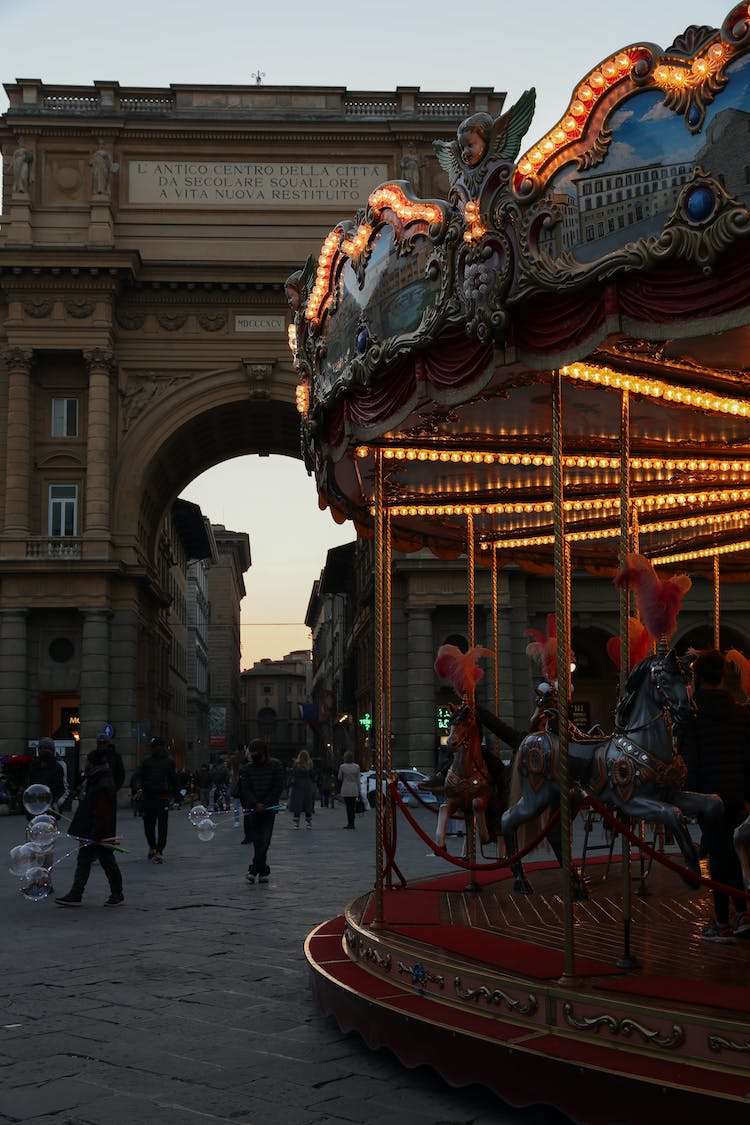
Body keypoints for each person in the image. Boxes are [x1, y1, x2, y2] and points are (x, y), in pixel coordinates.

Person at [678, 649, 750, 942]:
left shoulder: (693, 718)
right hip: (739, 796)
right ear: (723, 676)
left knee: (720, 860)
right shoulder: (742, 713)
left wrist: (691, 799)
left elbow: (689, 761)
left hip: (710, 797)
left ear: (697, 677)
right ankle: (742, 913)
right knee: (736, 855)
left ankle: (723, 921)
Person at [55, 744, 123, 906]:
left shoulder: (102, 783)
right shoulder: (95, 779)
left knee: (107, 862)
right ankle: (76, 894)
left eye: (87, 761)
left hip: (97, 831)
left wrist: (96, 833)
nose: (85, 763)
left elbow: (102, 812)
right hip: (91, 829)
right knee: (84, 861)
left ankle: (117, 893)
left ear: (92, 763)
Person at [237, 739, 284, 884]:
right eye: (251, 754)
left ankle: (253, 870)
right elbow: (245, 789)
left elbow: (278, 787)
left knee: (265, 840)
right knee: (258, 841)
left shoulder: (276, 765)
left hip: (269, 809)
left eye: (254, 753)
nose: (252, 756)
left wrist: (265, 803)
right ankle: (262, 871)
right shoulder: (246, 769)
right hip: (253, 808)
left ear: (263, 752)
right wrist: (256, 803)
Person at [134, 737, 176, 863]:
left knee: (163, 826)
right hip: (148, 797)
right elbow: (139, 776)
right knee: (148, 825)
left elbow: (173, 778)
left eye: (154, 747)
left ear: (161, 747)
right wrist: (139, 789)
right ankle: (152, 846)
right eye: (152, 747)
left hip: (162, 797)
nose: (153, 749)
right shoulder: (146, 761)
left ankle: (159, 850)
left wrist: (176, 793)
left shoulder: (169, 762)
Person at [288, 749, 315, 829]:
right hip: (307, 785)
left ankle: (296, 823)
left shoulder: (296, 764)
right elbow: (313, 775)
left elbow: (293, 774)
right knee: (307, 804)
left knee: (297, 804)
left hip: (297, 785)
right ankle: (308, 822)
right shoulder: (310, 764)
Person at [338, 751, 361, 829]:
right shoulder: (357, 766)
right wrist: (359, 790)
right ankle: (352, 823)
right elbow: (358, 779)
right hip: (354, 788)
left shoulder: (342, 767)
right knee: (352, 806)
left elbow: (340, 777)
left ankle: (350, 823)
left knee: (348, 807)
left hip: (346, 788)